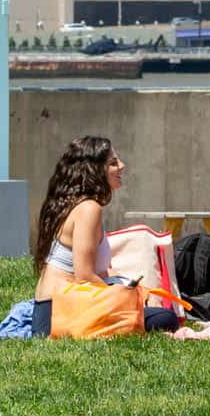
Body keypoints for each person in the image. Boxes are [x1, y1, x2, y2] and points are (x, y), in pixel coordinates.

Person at [31, 135, 180, 338]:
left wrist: (138, 290)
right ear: (94, 170)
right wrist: (133, 299)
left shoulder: (73, 204)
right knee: (165, 318)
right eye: (113, 163)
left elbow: (99, 271)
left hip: (55, 310)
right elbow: (85, 275)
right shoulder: (88, 209)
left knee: (156, 313)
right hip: (61, 314)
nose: (122, 166)